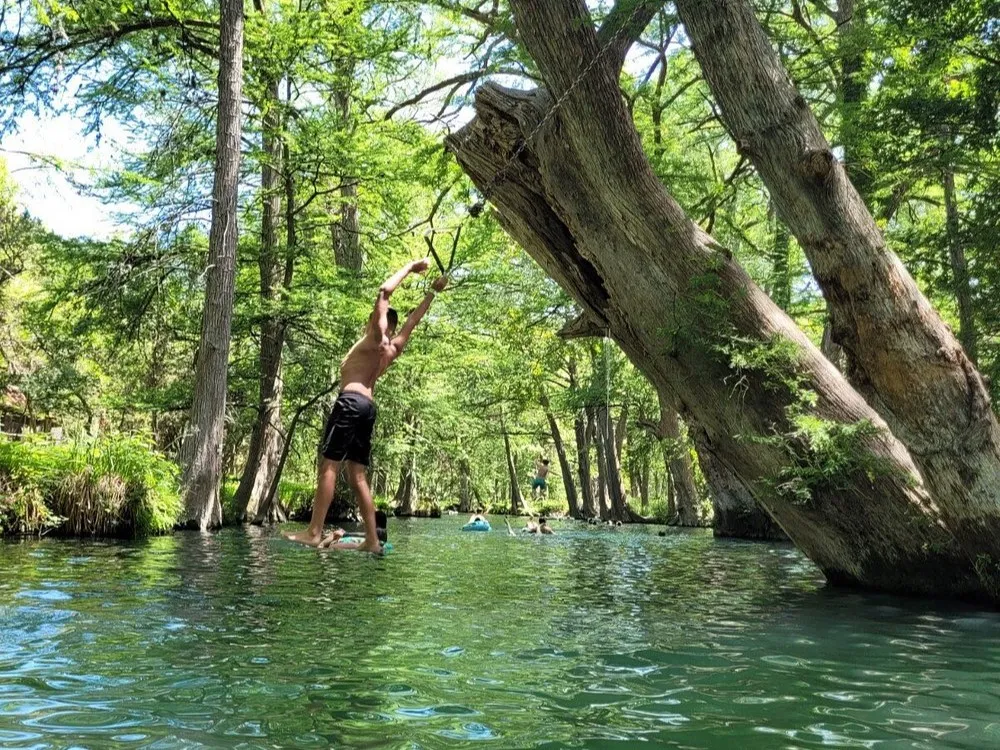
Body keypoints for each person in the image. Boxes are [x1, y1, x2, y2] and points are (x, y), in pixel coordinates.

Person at [285, 259, 447, 551]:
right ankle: (372, 540)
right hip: (367, 408)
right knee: (357, 474)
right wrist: (433, 292)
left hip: (349, 402)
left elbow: (384, 291)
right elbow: (413, 321)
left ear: (376, 320)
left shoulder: (375, 337)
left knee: (329, 465)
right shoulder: (393, 348)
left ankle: (314, 531)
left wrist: (411, 267)